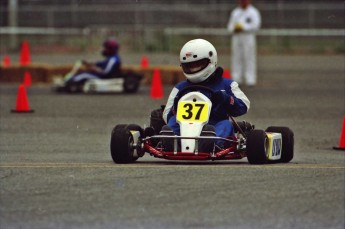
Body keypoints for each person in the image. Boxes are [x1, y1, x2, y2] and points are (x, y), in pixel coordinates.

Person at [162, 39, 250, 150]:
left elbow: (244, 105)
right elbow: (167, 114)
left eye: (197, 64)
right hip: (185, 126)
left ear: (211, 61)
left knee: (225, 125)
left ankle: (211, 143)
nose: (193, 68)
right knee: (173, 122)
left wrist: (227, 99)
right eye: (189, 66)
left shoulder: (227, 85)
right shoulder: (180, 88)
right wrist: (175, 109)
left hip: (214, 124)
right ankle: (169, 141)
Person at [227, 0, 261, 86]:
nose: (243, 2)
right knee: (236, 57)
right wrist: (235, 28)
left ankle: (250, 79)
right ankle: (236, 78)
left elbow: (256, 25)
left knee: (249, 57)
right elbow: (229, 26)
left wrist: (243, 27)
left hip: (248, 36)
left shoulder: (253, 12)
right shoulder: (235, 12)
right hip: (237, 36)